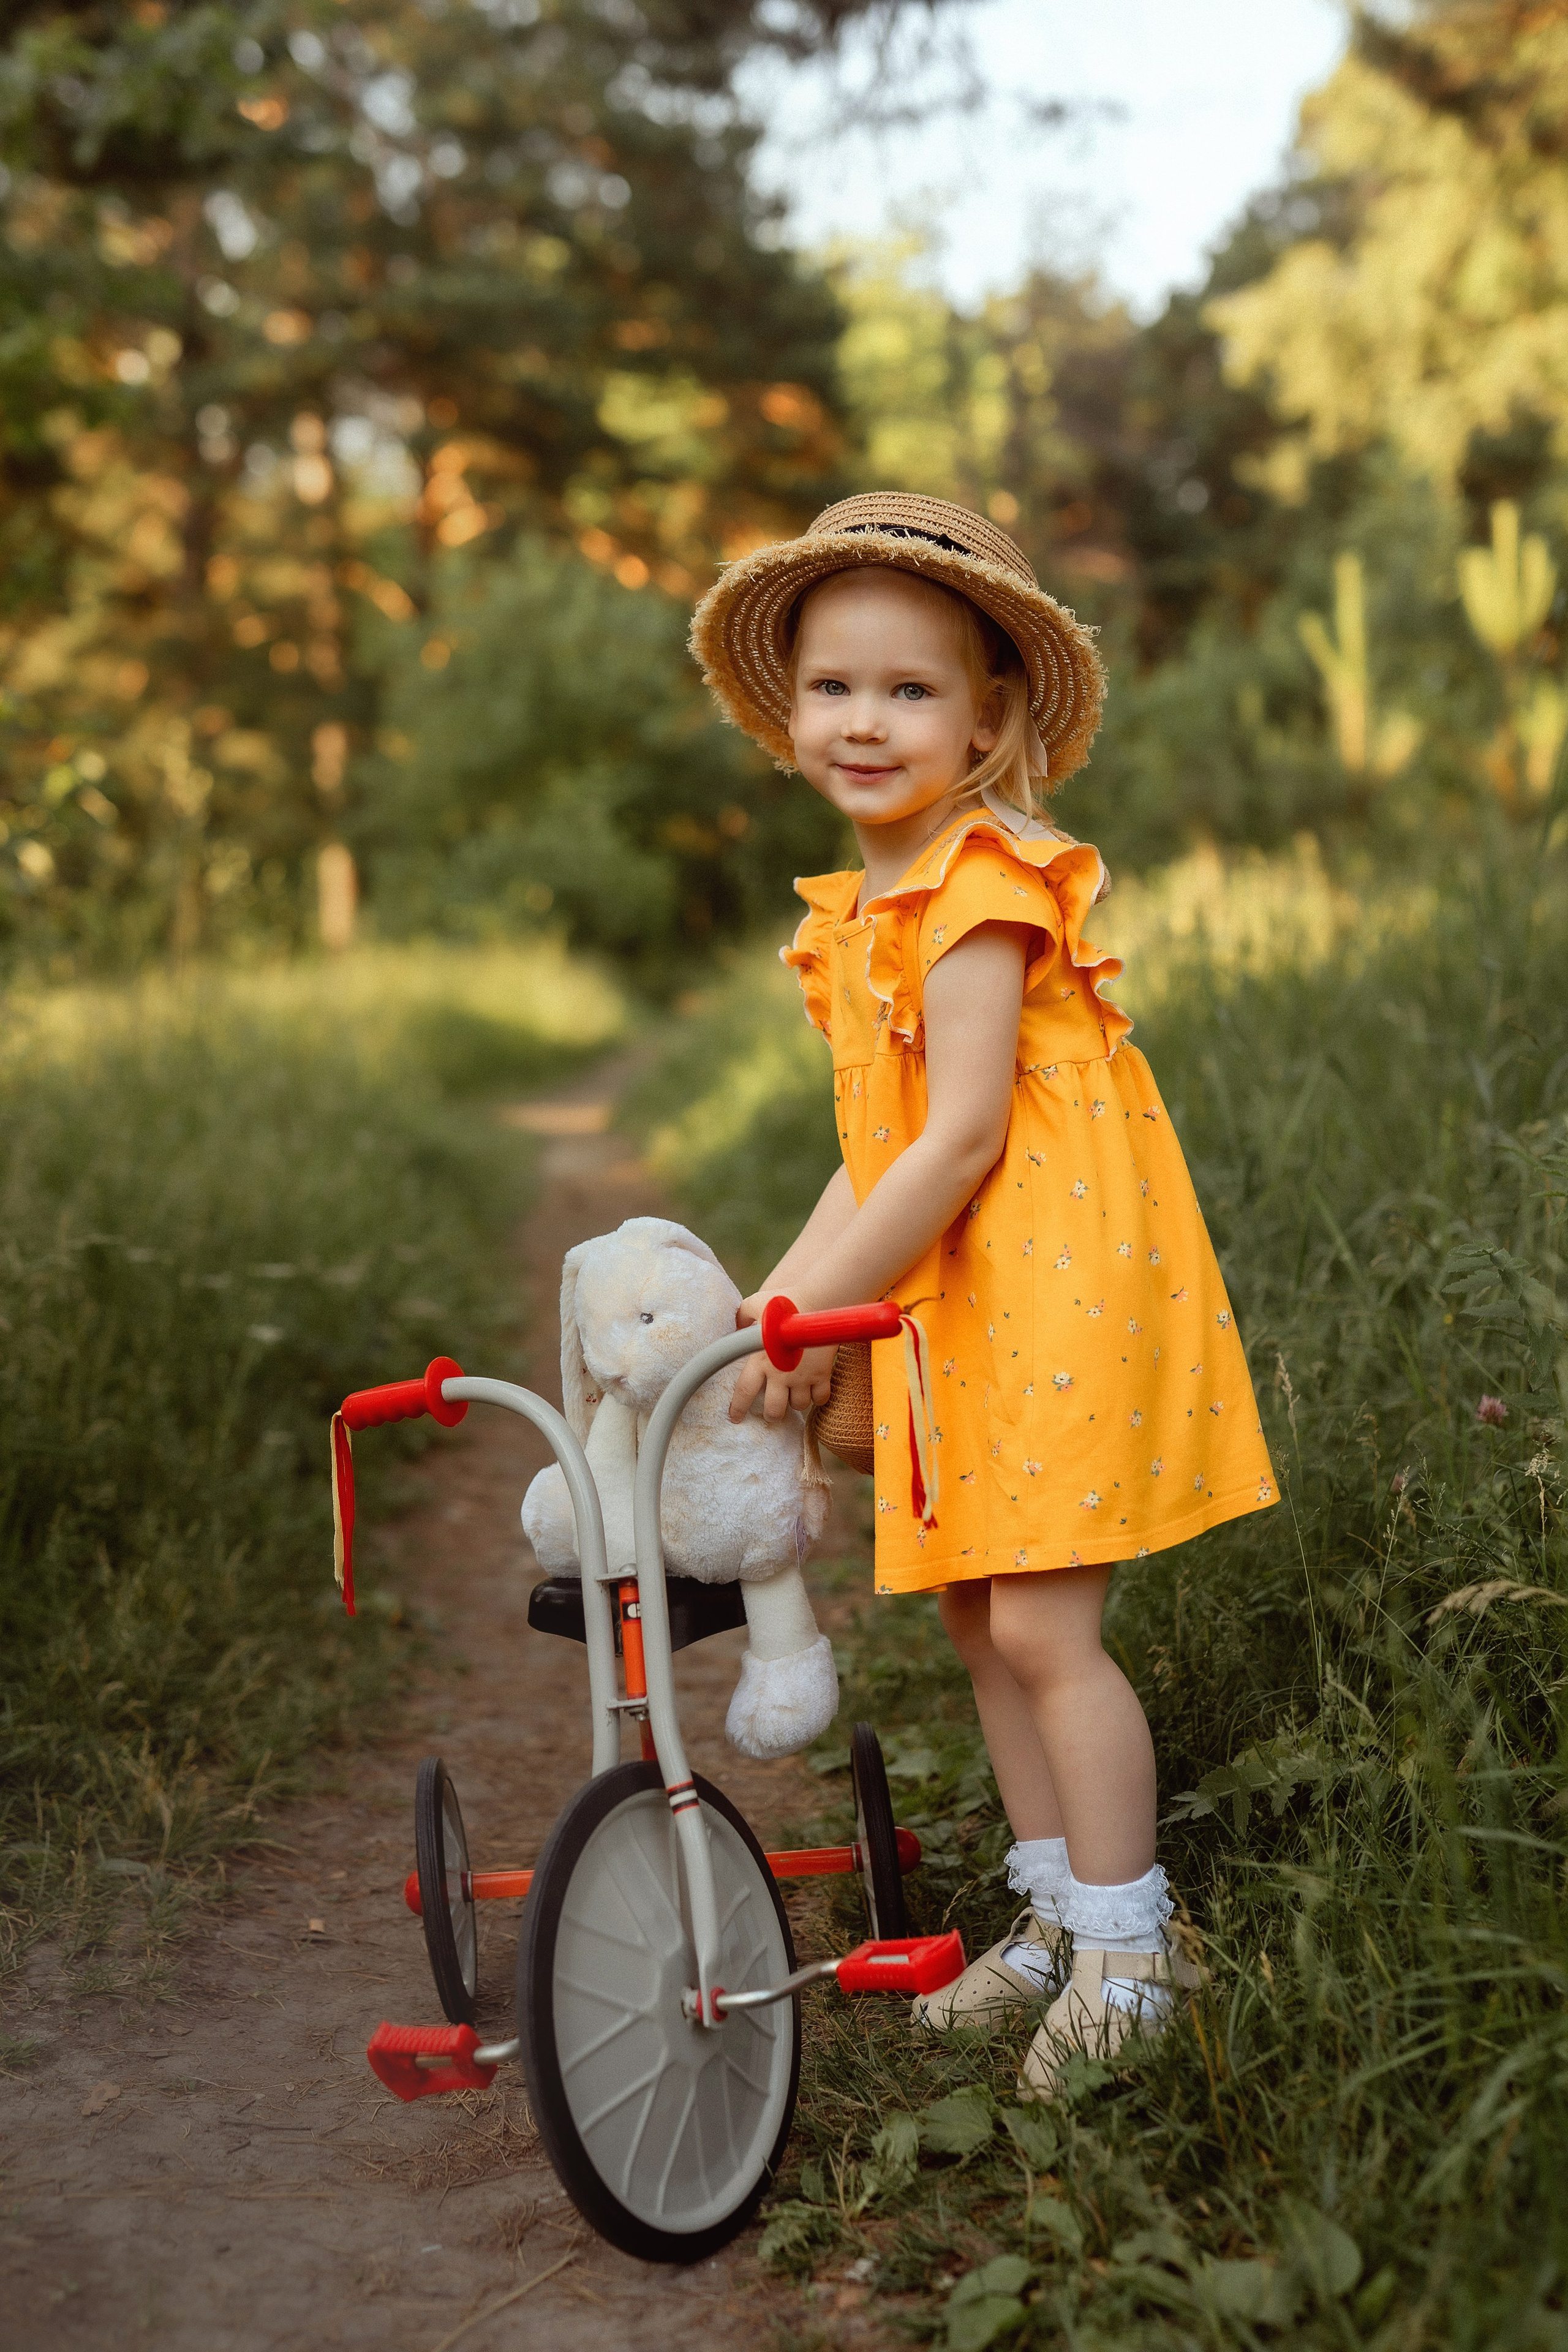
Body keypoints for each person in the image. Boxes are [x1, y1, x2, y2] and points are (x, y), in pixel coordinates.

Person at [689, 492, 1276, 2100]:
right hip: (967, 1290)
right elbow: (869, 1154)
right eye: (834, 686)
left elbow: (952, 1144)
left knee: (1040, 1620)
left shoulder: (979, 886)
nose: (864, 721)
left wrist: (816, 1313)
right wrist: (777, 1303)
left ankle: (1138, 1949)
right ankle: (1056, 1915)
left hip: (1054, 1282)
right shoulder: (864, 913)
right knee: (970, 1612)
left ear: (992, 715)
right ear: (789, 706)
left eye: (911, 689)